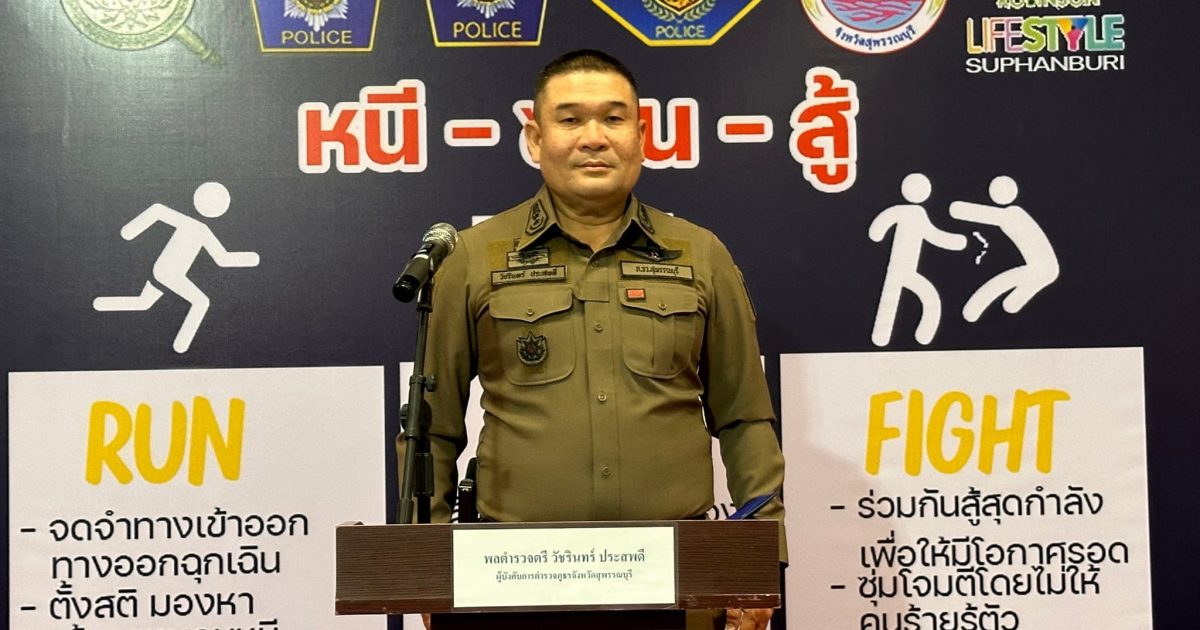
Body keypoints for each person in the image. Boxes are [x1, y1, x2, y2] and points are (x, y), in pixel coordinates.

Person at [416, 49, 785, 630]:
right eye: (570, 119)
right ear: (535, 138)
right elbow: (430, 430)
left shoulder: (700, 254)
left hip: (674, 579)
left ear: (642, 136)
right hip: (515, 579)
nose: (594, 138)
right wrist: (425, 566)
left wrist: (760, 558)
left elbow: (745, 419)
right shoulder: (474, 257)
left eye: (614, 119)